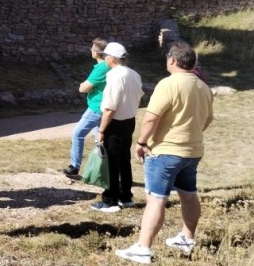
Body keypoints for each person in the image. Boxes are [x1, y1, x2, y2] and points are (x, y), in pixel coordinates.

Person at [116, 41, 214, 264]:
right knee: (188, 194)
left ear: (172, 60)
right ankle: (187, 238)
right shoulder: (203, 86)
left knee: (156, 199)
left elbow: (152, 117)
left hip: (165, 151)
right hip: (192, 151)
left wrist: (141, 142)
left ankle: (143, 248)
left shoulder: (168, 84)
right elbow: (207, 119)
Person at [92, 42, 143, 213]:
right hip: (129, 120)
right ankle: (125, 196)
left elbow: (109, 108)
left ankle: (110, 200)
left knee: (111, 161)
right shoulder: (134, 74)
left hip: (115, 122)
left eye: (106, 55)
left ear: (112, 58)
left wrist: (101, 131)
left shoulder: (115, 76)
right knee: (123, 159)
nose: (104, 57)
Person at [62, 38, 109, 178]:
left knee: (77, 134)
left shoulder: (101, 68)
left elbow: (83, 88)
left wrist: (85, 86)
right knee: (100, 140)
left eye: (92, 48)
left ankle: (74, 167)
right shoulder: (110, 66)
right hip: (104, 107)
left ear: (96, 52)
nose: (90, 50)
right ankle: (104, 171)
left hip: (96, 108)